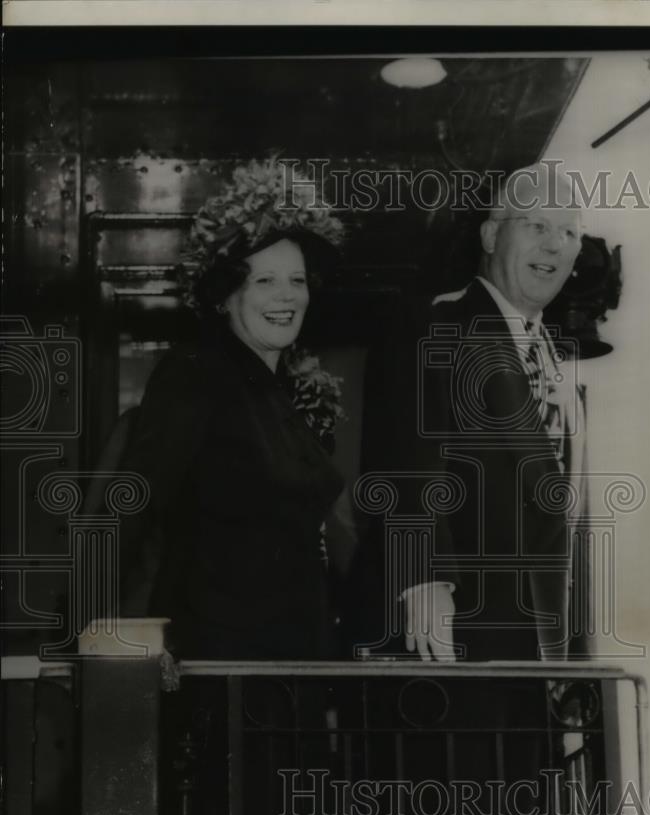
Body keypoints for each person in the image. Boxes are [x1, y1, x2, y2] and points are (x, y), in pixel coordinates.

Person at [119, 159, 347, 660]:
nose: (287, 295)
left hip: (298, 660)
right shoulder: (195, 373)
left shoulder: (290, 393)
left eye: (297, 280)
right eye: (265, 281)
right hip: (220, 669)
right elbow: (133, 512)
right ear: (225, 297)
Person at [393, 162, 588, 663]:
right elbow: (410, 455)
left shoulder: (551, 355)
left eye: (568, 232)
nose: (553, 244)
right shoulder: (441, 321)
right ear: (490, 234)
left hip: (535, 643)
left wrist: (567, 647)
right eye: (537, 225)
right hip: (459, 629)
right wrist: (423, 575)